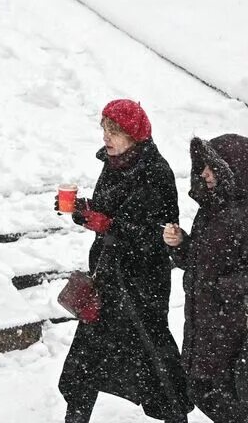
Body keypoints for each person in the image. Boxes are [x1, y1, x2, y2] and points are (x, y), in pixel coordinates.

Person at [58, 99, 192, 423]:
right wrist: (82, 211)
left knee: (153, 356)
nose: (106, 137)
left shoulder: (156, 173)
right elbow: (107, 210)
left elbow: (160, 235)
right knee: (85, 359)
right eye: (104, 128)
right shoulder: (113, 163)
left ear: (134, 135)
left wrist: (110, 225)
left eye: (114, 131)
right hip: (107, 279)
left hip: (141, 284)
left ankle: (176, 416)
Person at [162, 135, 248, 423]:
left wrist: (220, 289)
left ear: (231, 170)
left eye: (211, 167)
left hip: (231, 327)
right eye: (203, 166)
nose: (204, 173)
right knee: (203, 388)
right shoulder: (211, 209)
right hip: (205, 323)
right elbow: (203, 261)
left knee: (213, 392)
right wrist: (181, 245)